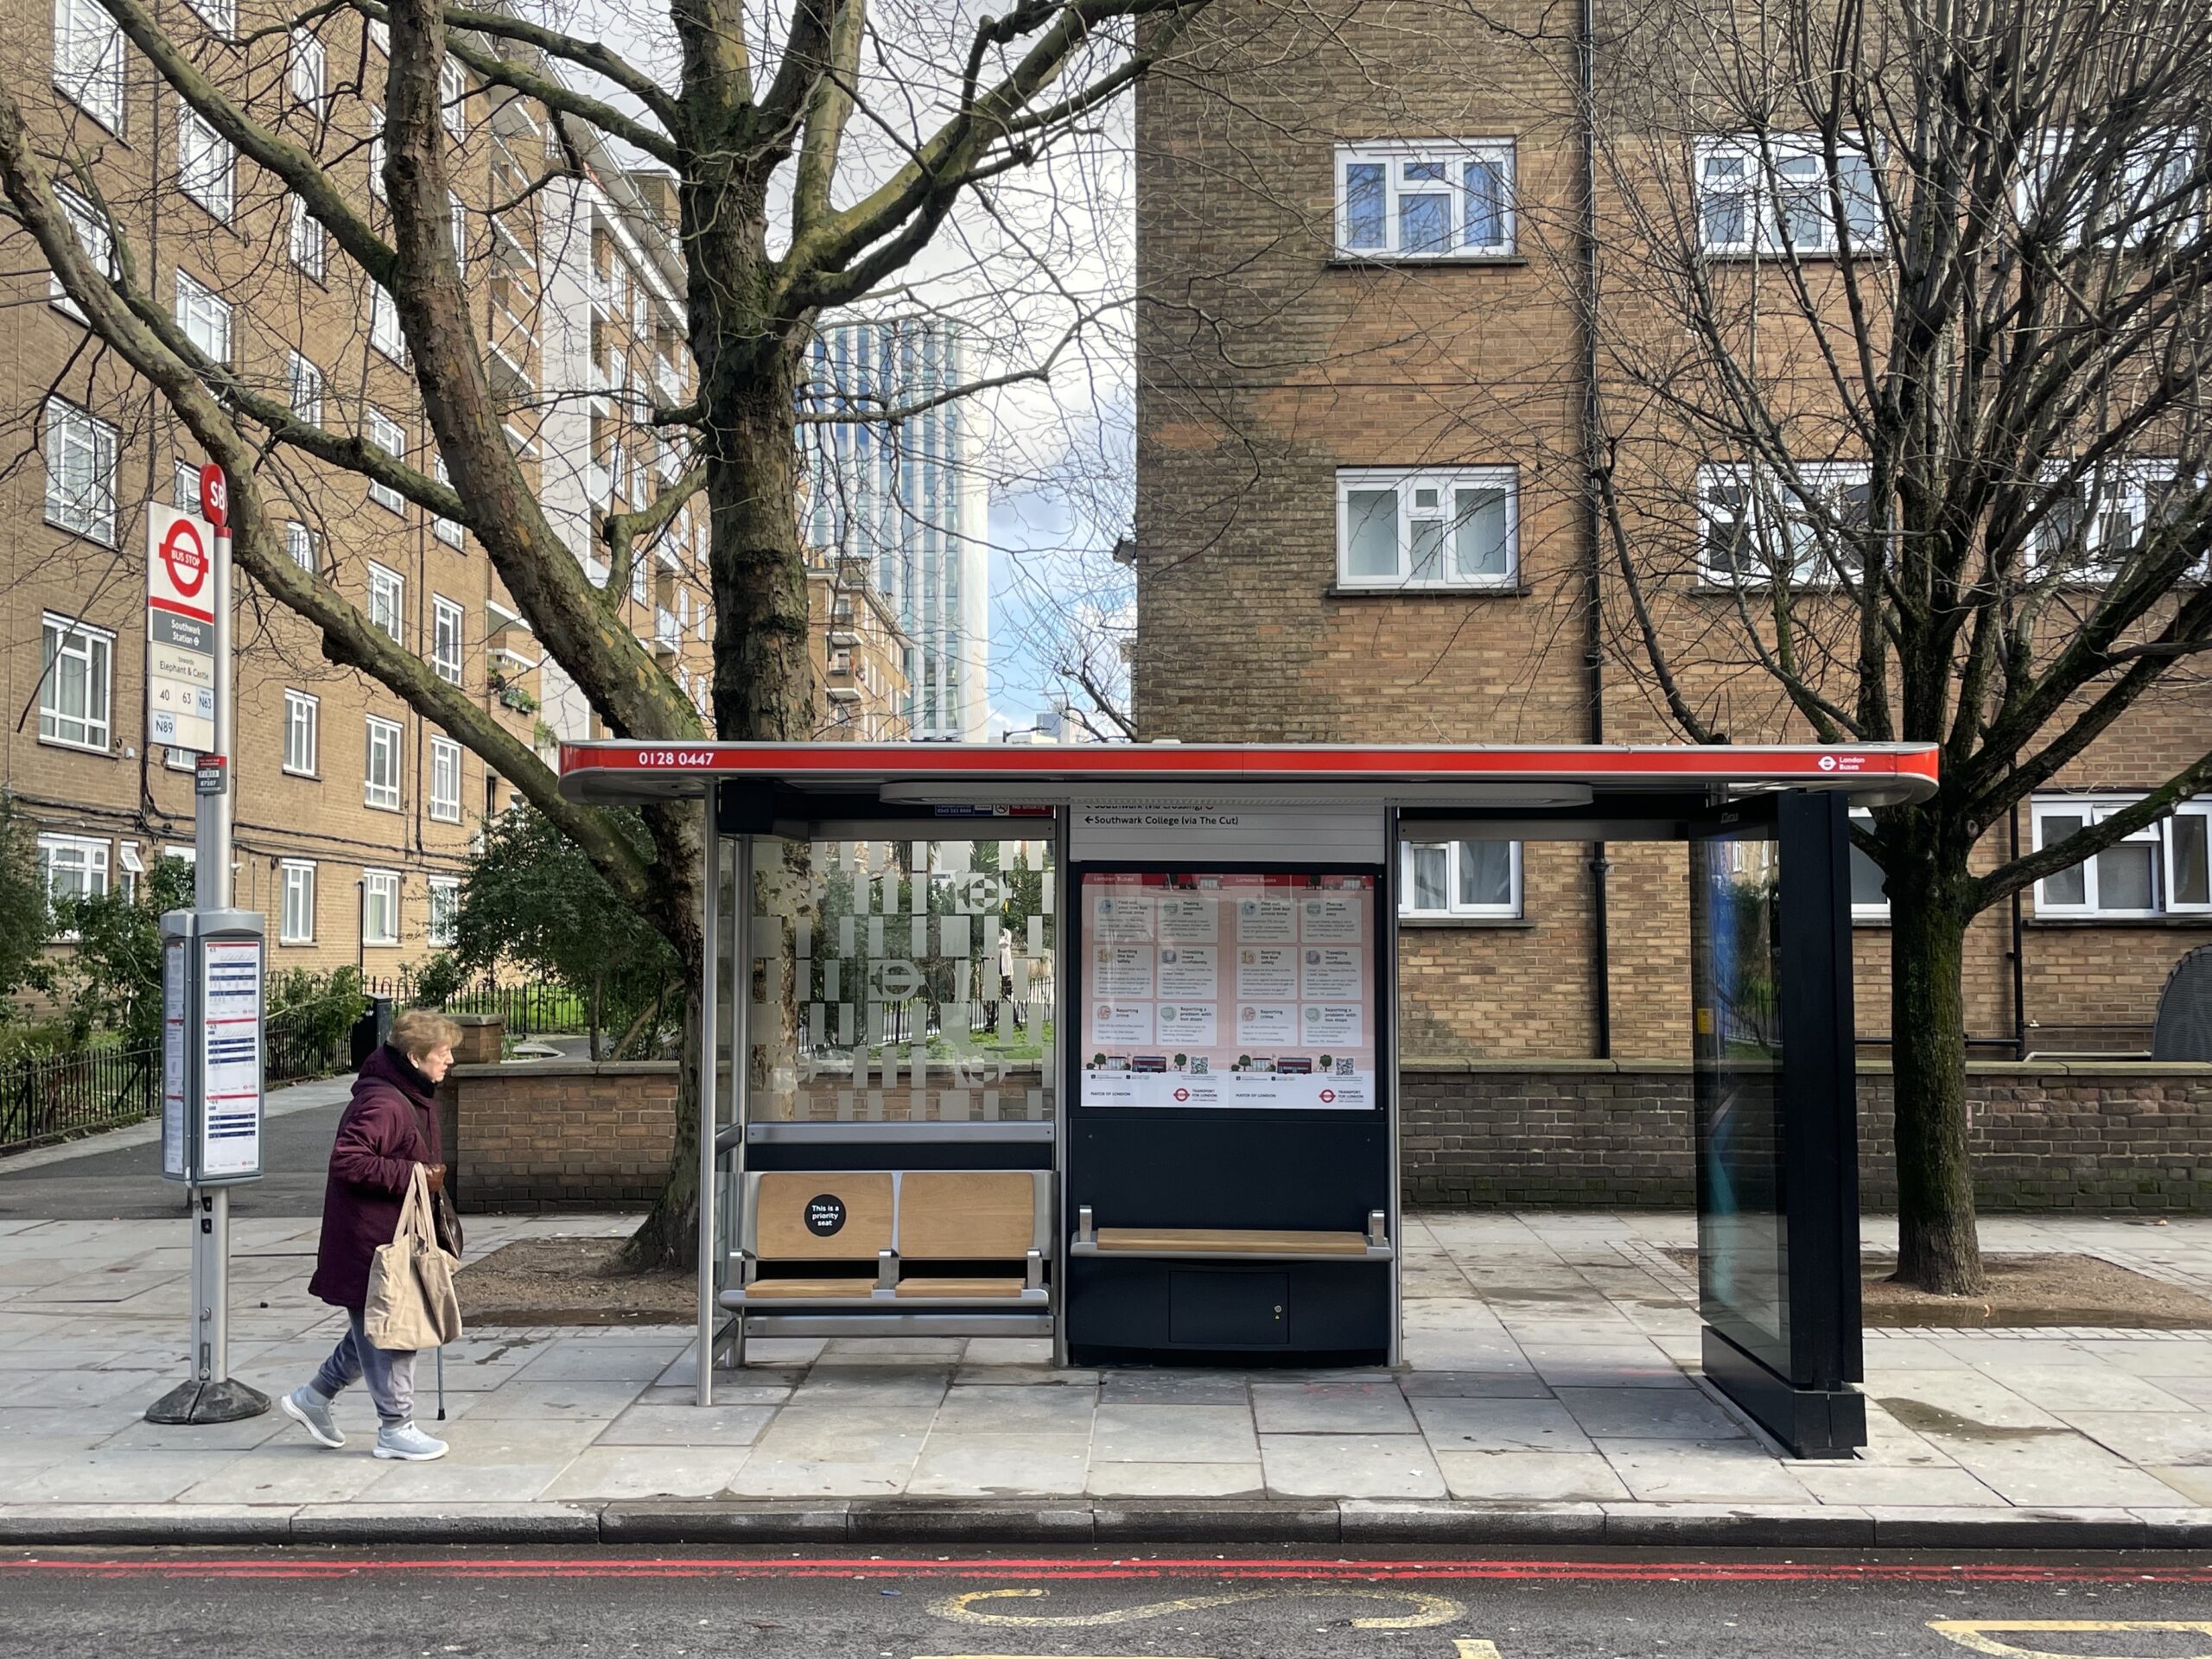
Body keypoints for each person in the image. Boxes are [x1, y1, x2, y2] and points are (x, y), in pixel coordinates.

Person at [281, 1007, 460, 1461]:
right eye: (443, 1052)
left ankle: (313, 1398)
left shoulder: (409, 1093)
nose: (450, 1060)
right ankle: (395, 1428)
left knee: (375, 1327)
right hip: (373, 1245)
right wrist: (414, 1173)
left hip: (382, 1238)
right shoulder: (384, 1102)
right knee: (393, 1333)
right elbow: (348, 1160)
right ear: (416, 1057)